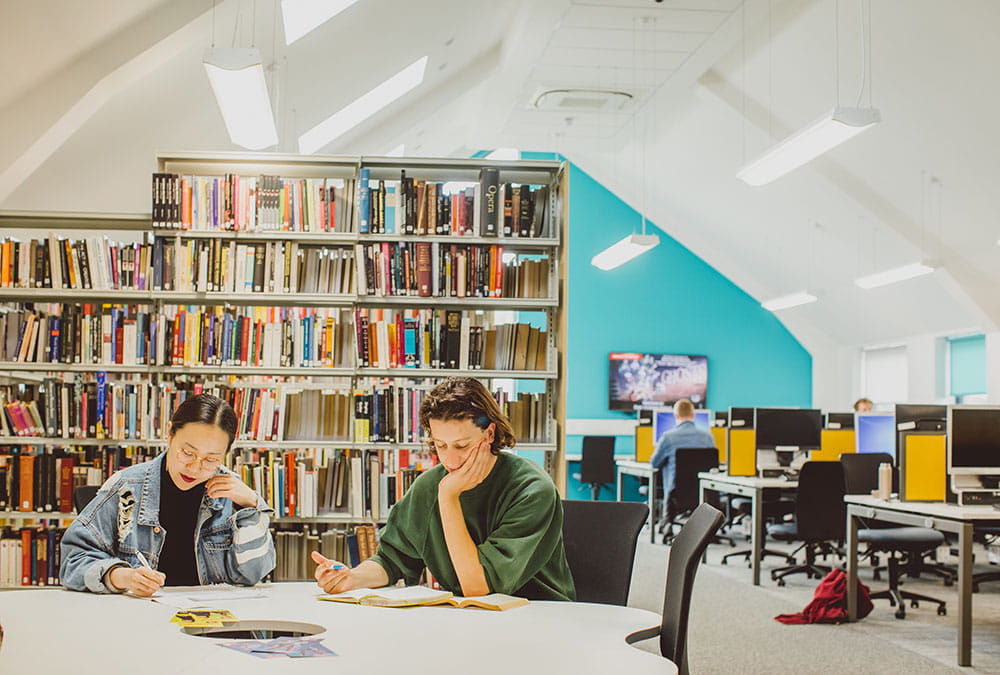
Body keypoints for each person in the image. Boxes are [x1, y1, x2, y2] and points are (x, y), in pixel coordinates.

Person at [312, 377, 575, 601]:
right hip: (469, 623)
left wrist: (449, 498)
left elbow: (479, 587)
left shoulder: (531, 489)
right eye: (440, 445)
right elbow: (392, 561)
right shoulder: (430, 485)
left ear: (490, 434)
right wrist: (351, 578)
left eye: (462, 446)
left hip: (540, 619)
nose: (450, 460)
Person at [60, 393, 275, 596]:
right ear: (170, 434)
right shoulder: (127, 487)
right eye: (188, 453)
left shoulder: (233, 494)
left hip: (214, 621)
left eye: (211, 460)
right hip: (140, 620)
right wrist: (120, 576)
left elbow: (252, 575)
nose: (195, 468)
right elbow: (73, 561)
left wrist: (252, 507)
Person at [649, 398, 716, 527]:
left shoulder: (668, 437)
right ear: (693, 415)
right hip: (702, 491)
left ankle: (667, 523)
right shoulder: (708, 436)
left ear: (676, 415)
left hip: (676, 492)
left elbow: (654, 463)